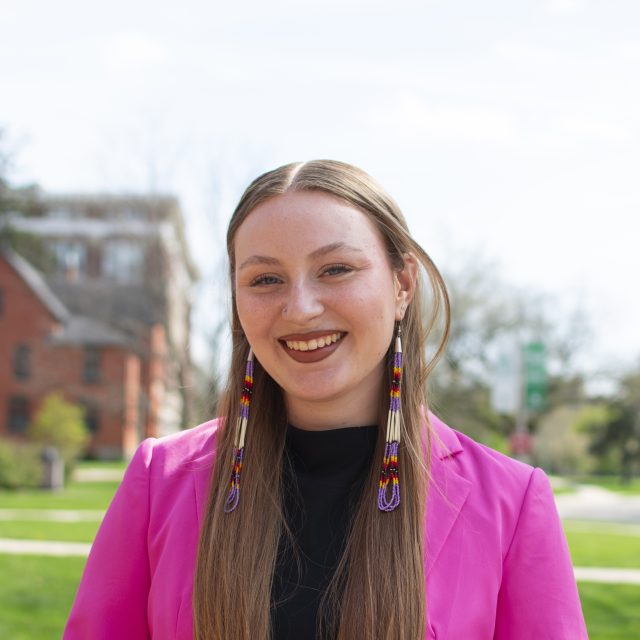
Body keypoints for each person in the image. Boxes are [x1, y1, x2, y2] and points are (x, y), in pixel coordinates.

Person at [64, 160, 588, 640]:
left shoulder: (511, 503)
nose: (301, 308)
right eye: (266, 279)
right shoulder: (162, 480)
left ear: (402, 284)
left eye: (336, 269)